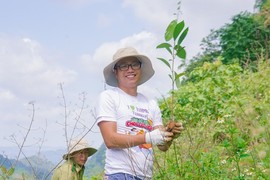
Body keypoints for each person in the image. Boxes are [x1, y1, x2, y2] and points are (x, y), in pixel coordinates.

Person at [94, 47, 184, 180]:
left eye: (135, 64)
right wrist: (147, 138)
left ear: (140, 68)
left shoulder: (151, 103)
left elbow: (162, 146)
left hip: (145, 176)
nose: (130, 69)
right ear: (116, 71)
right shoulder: (109, 97)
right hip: (119, 174)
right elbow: (110, 140)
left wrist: (170, 133)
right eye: (124, 66)